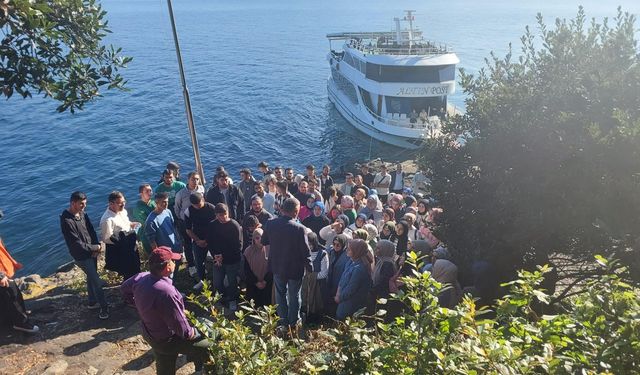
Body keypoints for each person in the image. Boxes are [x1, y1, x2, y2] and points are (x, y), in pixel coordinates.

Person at [121, 247, 207, 375]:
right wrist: (196, 332)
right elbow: (183, 331)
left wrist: (136, 303)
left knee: (164, 361)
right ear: (167, 267)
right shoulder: (166, 292)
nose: (175, 263)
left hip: (151, 334)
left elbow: (123, 288)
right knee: (206, 345)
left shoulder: (141, 277)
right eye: (173, 260)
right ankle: (201, 370)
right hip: (168, 340)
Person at [261, 197, 311, 331]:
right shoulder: (300, 228)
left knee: (280, 294)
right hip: (295, 269)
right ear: (295, 211)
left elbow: (264, 241)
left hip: (277, 266)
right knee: (294, 295)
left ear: (283, 209)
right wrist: (310, 267)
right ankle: (294, 322)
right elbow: (306, 252)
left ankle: (283, 323)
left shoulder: (271, 224)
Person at [60, 191, 109, 319]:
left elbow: (91, 230)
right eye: (81, 204)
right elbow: (76, 243)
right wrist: (95, 248)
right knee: (96, 281)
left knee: (91, 277)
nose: (84, 206)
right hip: (81, 255)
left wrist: (96, 246)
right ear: (73, 203)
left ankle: (92, 302)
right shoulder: (66, 221)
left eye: (85, 204)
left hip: (92, 251)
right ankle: (104, 308)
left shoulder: (82, 214)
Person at [206, 203, 243, 311]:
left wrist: (223, 256)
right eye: (220, 215)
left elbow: (238, 246)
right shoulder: (212, 225)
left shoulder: (234, 225)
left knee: (232, 282)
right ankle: (221, 298)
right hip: (217, 260)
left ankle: (232, 300)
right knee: (217, 282)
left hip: (232, 260)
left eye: (225, 214)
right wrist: (215, 256)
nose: (223, 217)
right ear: (216, 215)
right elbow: (210, 242)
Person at [99, 191, 140, 280]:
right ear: (111, 204)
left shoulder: (122, 211)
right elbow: (107, 239)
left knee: (137, 267)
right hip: (122, 249)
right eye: (120, 203)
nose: (123, 205)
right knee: (129, 273)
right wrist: (124, 240)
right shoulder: (107, 220)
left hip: (131, 244)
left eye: (124, 202)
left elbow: (126, 223)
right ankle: (129, 291)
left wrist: (131, 224)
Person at [0, 239, 38, 333]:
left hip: (4, 271)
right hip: (2, 275)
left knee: (4, 298)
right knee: (13, 296)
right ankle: (21, 323)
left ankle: (8, 320)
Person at [174, 172, 205, 278]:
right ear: (188, 180)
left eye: (197, 179)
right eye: (193, 179)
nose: (195, 181)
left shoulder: (201, 189)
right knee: (187, 244)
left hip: (199, 222)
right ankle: (191, 265)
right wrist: (182, 218)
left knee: (199, 241)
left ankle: (201, 261)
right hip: (185, 222)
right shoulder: (181, 193)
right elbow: (177, 208)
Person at [335, 239, 372, 320]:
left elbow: (351, 288)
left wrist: (339, 297)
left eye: (350, 249)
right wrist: (338, 293)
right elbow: (342, 279)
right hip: (343, 299)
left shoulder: (359, 268)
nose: (347, 250)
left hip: (351, 303)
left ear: (357, 251)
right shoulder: (351, 261)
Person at [185, 192, 216, 289]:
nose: (198, 207)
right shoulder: (188, 211)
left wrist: (207, 240)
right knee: (199, 262)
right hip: (198, 239)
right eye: (195, 205)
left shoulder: (212, 208)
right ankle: (203, 281)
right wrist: (198, 240)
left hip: (212, 238)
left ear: (203, 199)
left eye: (199, 204)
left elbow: (217, 226)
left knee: (217, 258)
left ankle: (219, 278)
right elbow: (188, 229)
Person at [145, 192, 182, 261]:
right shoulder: (150, 221)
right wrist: (159, 256)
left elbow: (173, 228)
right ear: (156, 202)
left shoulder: (168, 211)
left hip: (175, 246)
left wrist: (179, 242)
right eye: (163, 202)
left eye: (167, 202)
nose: (166, 204)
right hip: (165, 251)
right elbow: (152, 241)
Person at [301, 232, 328, 323]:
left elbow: (324, 273)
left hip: (318, 285)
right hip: (304, 284)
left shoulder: (323, 254)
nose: (308, 246)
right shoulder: (303, 252)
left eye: (310, 244)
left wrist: (311, 276)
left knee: (316, 305)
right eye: (307, 244)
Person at [243, 228, 272, 308]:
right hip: (253, 284)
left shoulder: (269, 249)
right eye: (257, 238)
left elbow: (272, 268)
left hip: (267, 284)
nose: (260, 240)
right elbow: (246, 270)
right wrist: (256, 282)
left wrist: (265, 281)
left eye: (262, 237)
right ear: (253, 239)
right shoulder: (248, 252)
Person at [325, 234, 350, 318]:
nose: (335, 246)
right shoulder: (331, 251)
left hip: (340, 283)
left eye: (338, 244)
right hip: (329, 281)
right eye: (334, 244)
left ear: (343, 244)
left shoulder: (347, 255)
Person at [131, 184, 155, 254]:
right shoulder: (138, 208)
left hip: (158, 233)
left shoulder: (153, 202)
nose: (150, 193)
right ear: (141, 194)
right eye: (147, 191)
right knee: (153, 255)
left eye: (150, 190)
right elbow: (146, 223)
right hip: (147, 236)